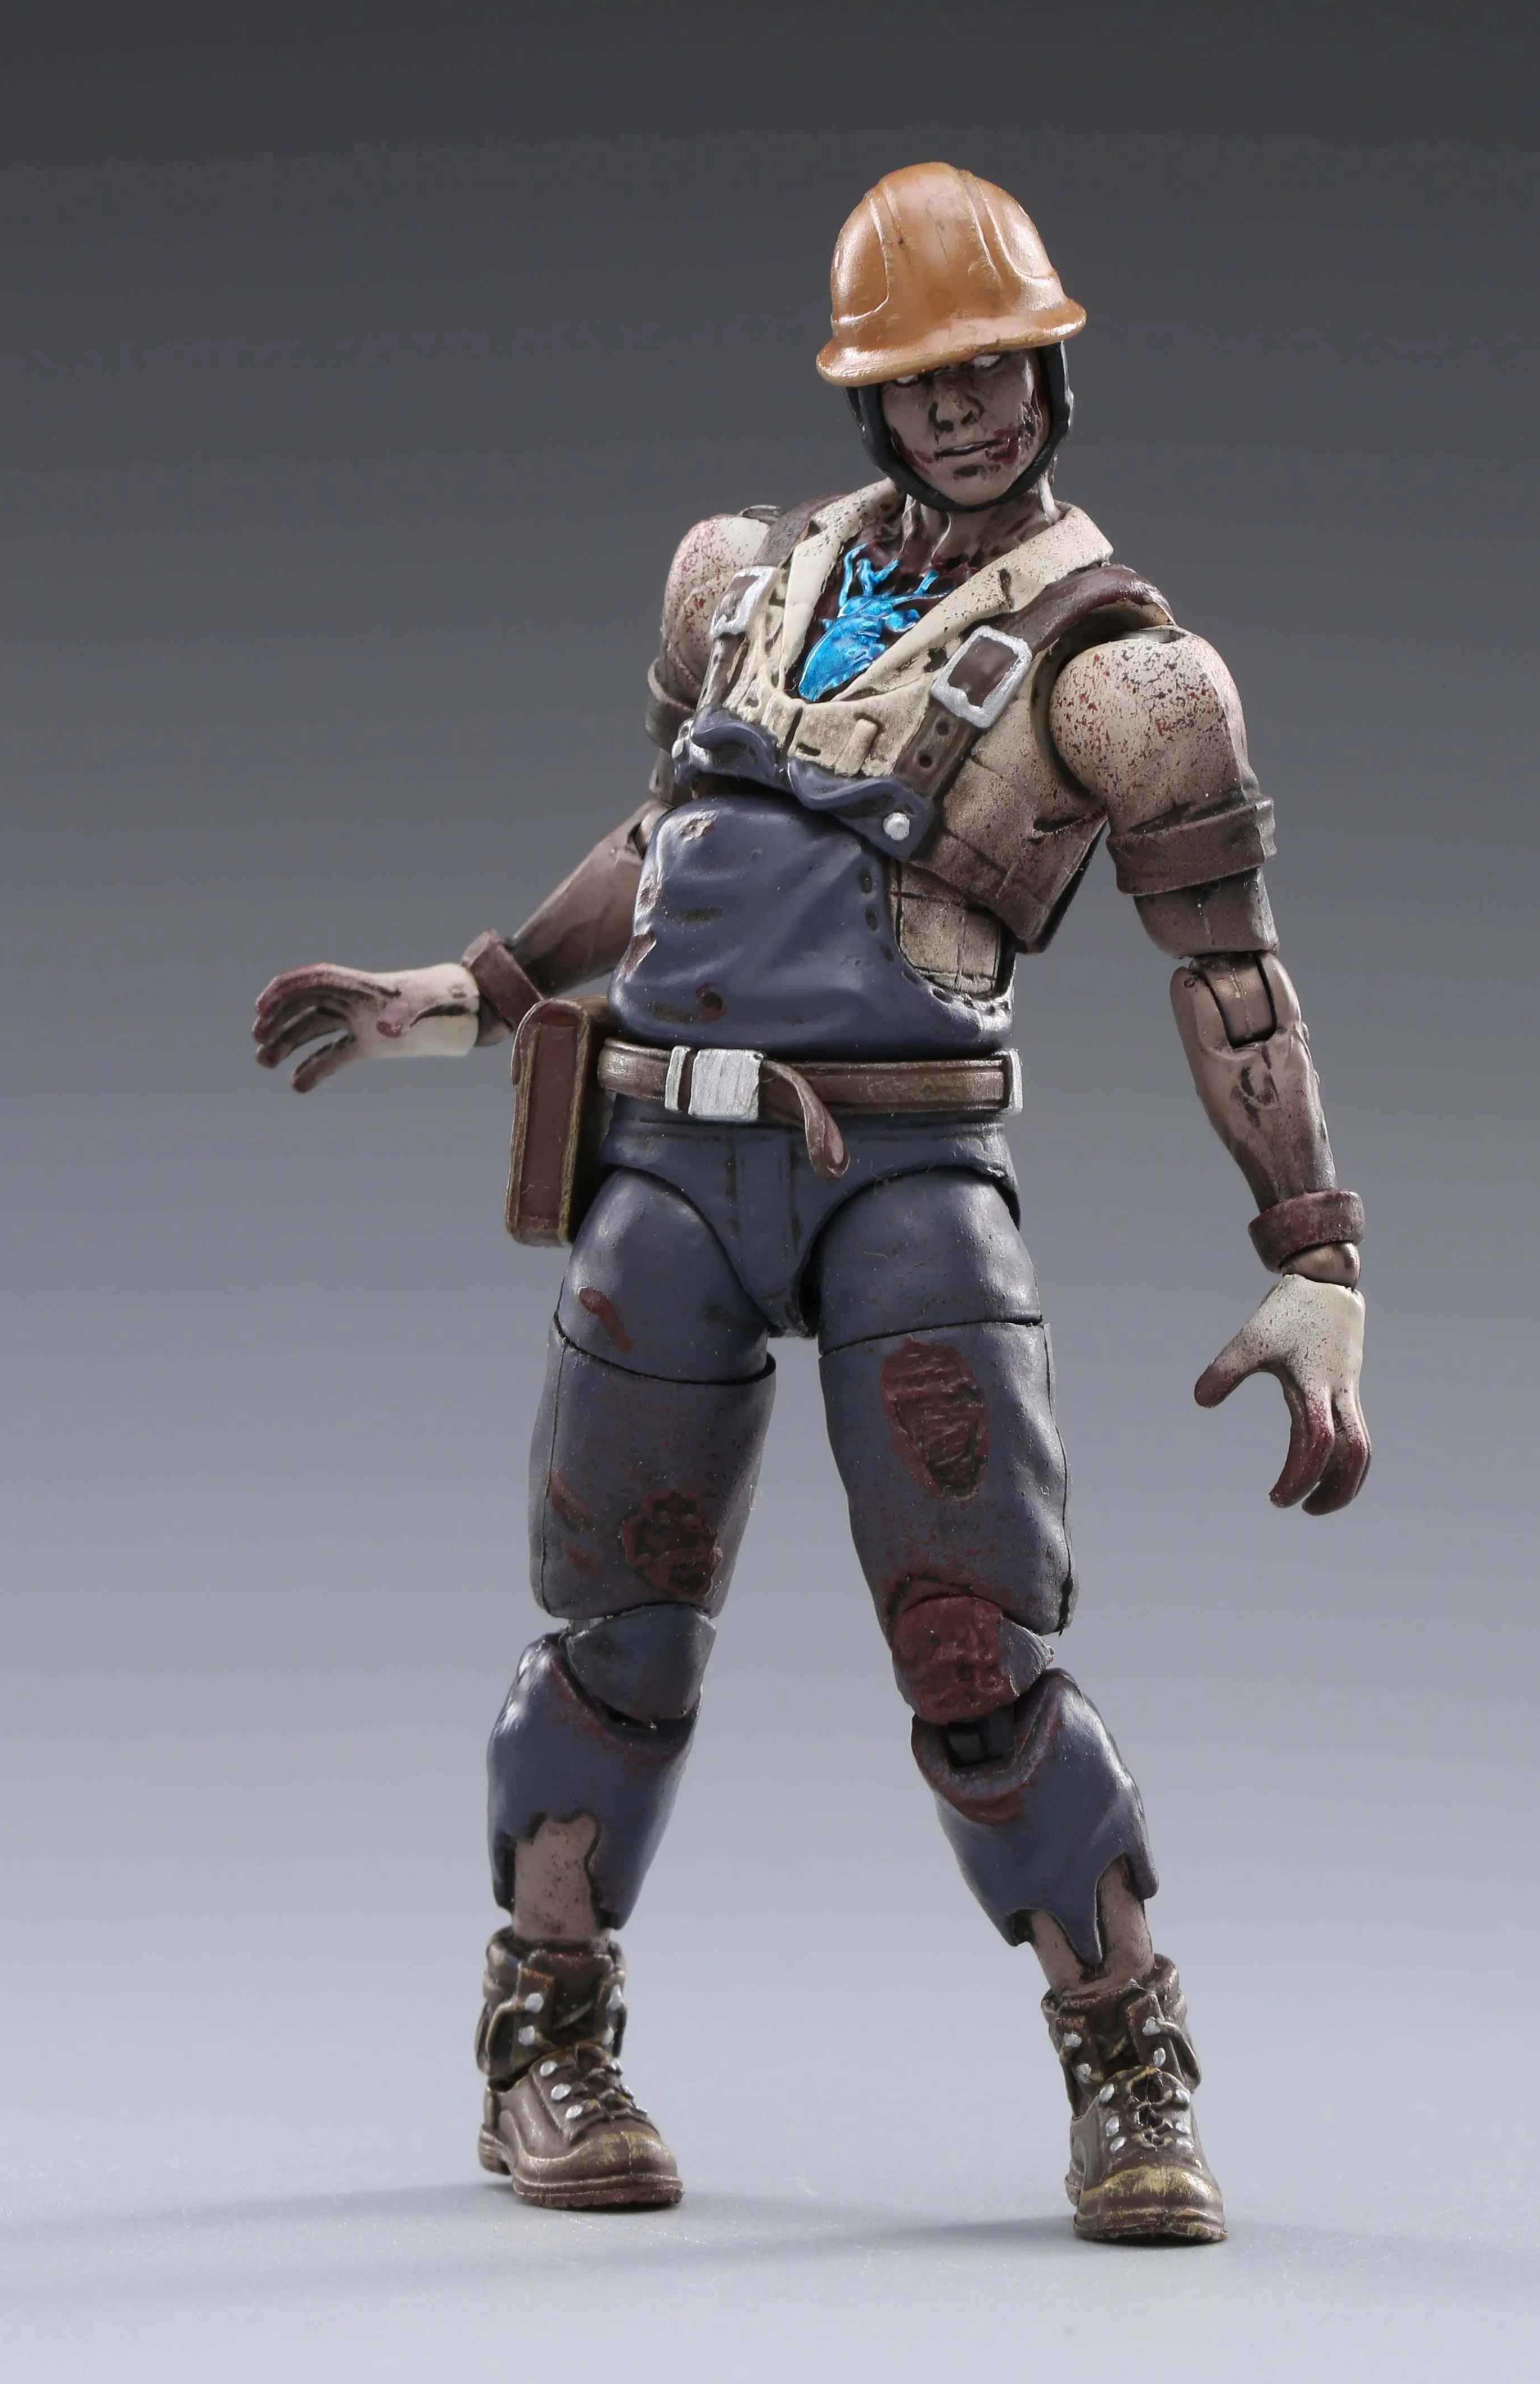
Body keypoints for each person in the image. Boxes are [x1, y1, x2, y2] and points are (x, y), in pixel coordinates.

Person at [252, 163, 1370, 2243]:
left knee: (977, 1638)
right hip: (669, 1159)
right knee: (615, 1623)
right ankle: (544, 2040)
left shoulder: (1126, 678)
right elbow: (668, 834)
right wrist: (481, 988)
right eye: (923, 377)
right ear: (870, 394)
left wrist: (1315, 1254)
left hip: (907, 1171)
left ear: (1049, 370)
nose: (963, 409)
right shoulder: (739, 581)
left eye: (994, 369)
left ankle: (1126, 2061)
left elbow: (1234, 979)